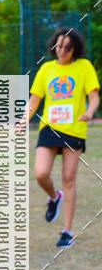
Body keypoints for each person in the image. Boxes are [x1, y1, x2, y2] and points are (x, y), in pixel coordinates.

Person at [24, 28, 99, 248]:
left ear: (75, 48)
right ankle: (54, 197)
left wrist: (90, 111)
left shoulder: (84, 67)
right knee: (40, 173)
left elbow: (94, 96)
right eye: (59, 46)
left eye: (67, 47)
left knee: (69, 179)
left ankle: (67, 232)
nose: (62, 50)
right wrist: (23, 119)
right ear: (53, 46)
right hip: (49, 128)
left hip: (74, 130)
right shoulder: (47, 69)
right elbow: (34, 100)